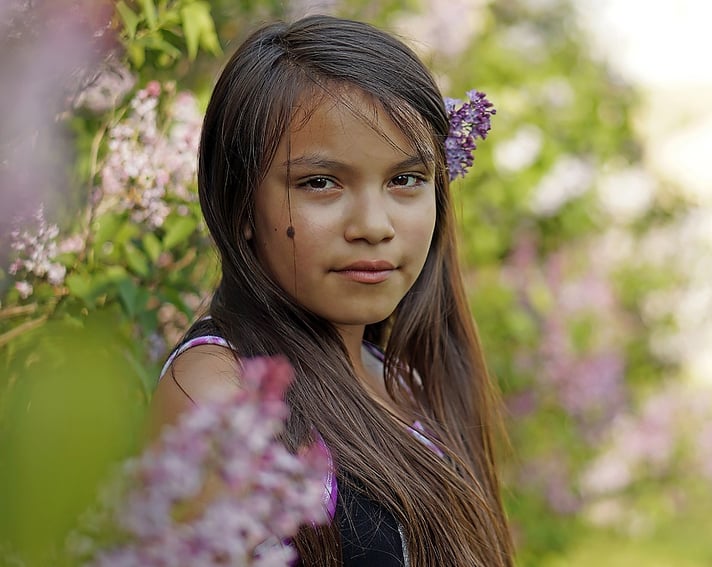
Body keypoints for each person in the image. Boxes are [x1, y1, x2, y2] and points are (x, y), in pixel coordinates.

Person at [148, 14, 514, 567]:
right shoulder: (224, 399)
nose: (373, 223)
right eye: (320, 183)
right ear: (242, 203)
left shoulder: (398, 376)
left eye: (405, 180)